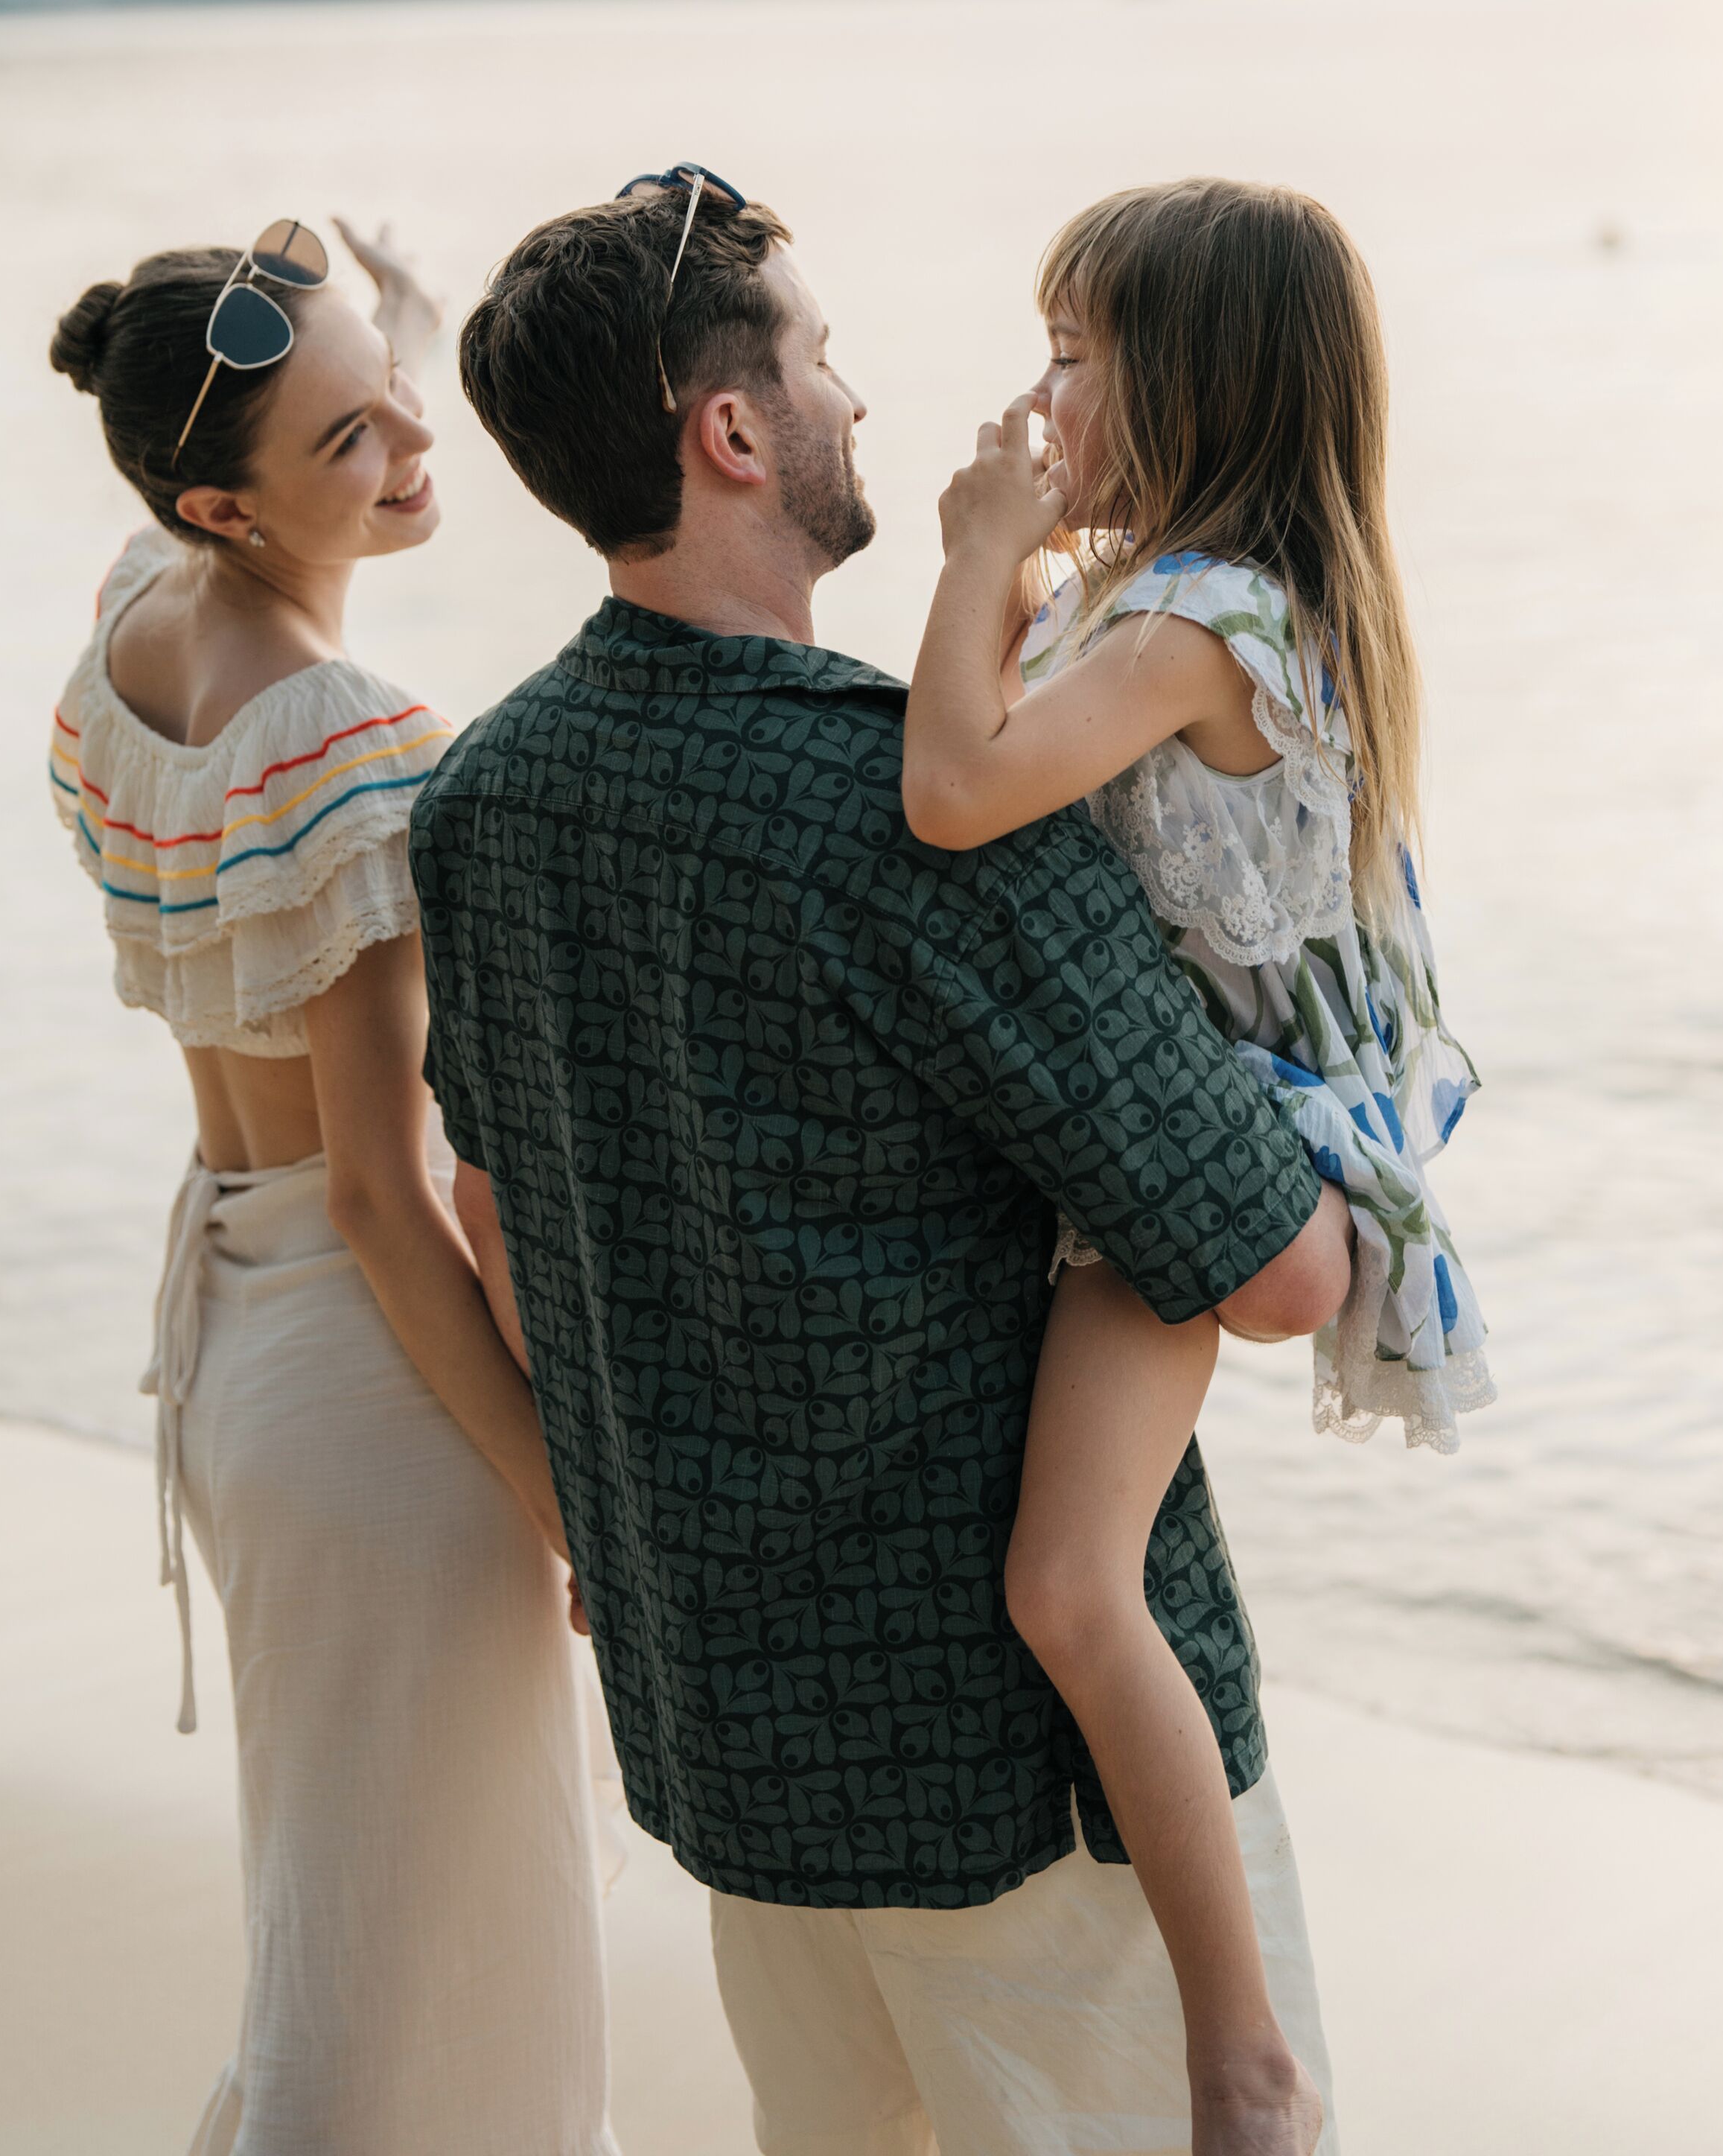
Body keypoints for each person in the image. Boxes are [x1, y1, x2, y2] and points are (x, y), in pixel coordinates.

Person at [410, 163, 1354, 2155]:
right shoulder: (912, 822)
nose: (863, 399)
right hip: (1027, 1805)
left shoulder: (486, 799)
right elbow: (1269, 1272)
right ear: (731, 433)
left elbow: (492, 1215)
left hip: (736, 1751)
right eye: (824, 363)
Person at [901, 177, 1491, 2154]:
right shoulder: (1196, 596)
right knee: (1074, 1581)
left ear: (1198, 382)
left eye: (1075, 355)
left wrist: (975, 553)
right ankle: (1225, 2032)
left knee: (1071, 1587)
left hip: (1215, 1169)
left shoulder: (1190, 622)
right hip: (1176, 1156)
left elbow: (957, 790)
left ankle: (1239, 2054)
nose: (1041, 393)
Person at [48, 217, 619, 2156]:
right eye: (352, 441)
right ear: (226, 496)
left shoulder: (143, 608)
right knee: (416, 2019)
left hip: (230, 1337)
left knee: (350, 1960)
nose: (409, 442)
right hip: (375, 1397)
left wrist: (364, 321)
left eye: (396, 392)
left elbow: (348, 364)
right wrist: (571, 1504)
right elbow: (390, 1193)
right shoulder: (356, 748)